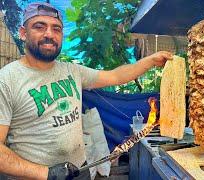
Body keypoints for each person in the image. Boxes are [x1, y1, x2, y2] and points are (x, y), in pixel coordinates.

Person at [0, 2, 172, 180]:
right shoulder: (7, 80)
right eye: (39, 27)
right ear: (22, 33)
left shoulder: (72, 71)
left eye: (56, 29)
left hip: (80, 170)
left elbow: (114, 76)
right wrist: (46, 174)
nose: (49, 34)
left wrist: (150, 61)